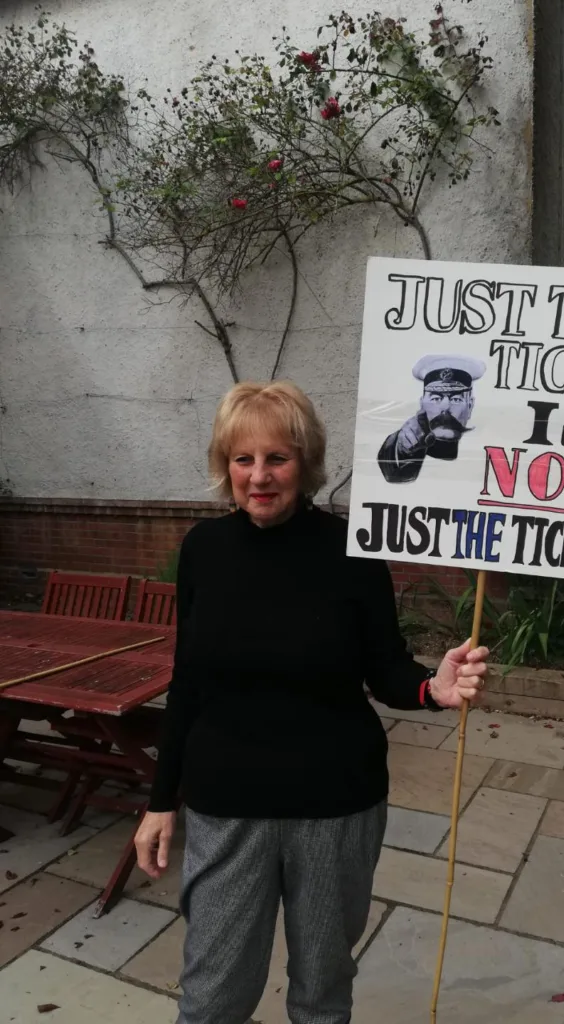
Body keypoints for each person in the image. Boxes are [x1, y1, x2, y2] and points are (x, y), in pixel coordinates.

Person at [134, 380, 489, 1024]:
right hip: (227, 805)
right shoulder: (203, 551)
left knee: (322, 990)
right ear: (225, 467)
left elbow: (383, 666)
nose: (260, 476)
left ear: (307, 462)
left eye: (278, 458)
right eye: (243, 459)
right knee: (212, 994)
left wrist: (432, 689)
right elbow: (187, 680)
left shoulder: (350, 554)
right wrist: (161, 801)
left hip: (335, 806)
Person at [377, 354, 486, 483]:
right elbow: (395, 475)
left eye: (456, 399)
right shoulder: (409, 438)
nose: (445, 407)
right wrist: (402, 447)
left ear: (470, 406)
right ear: (422, 404)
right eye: (436, 398)